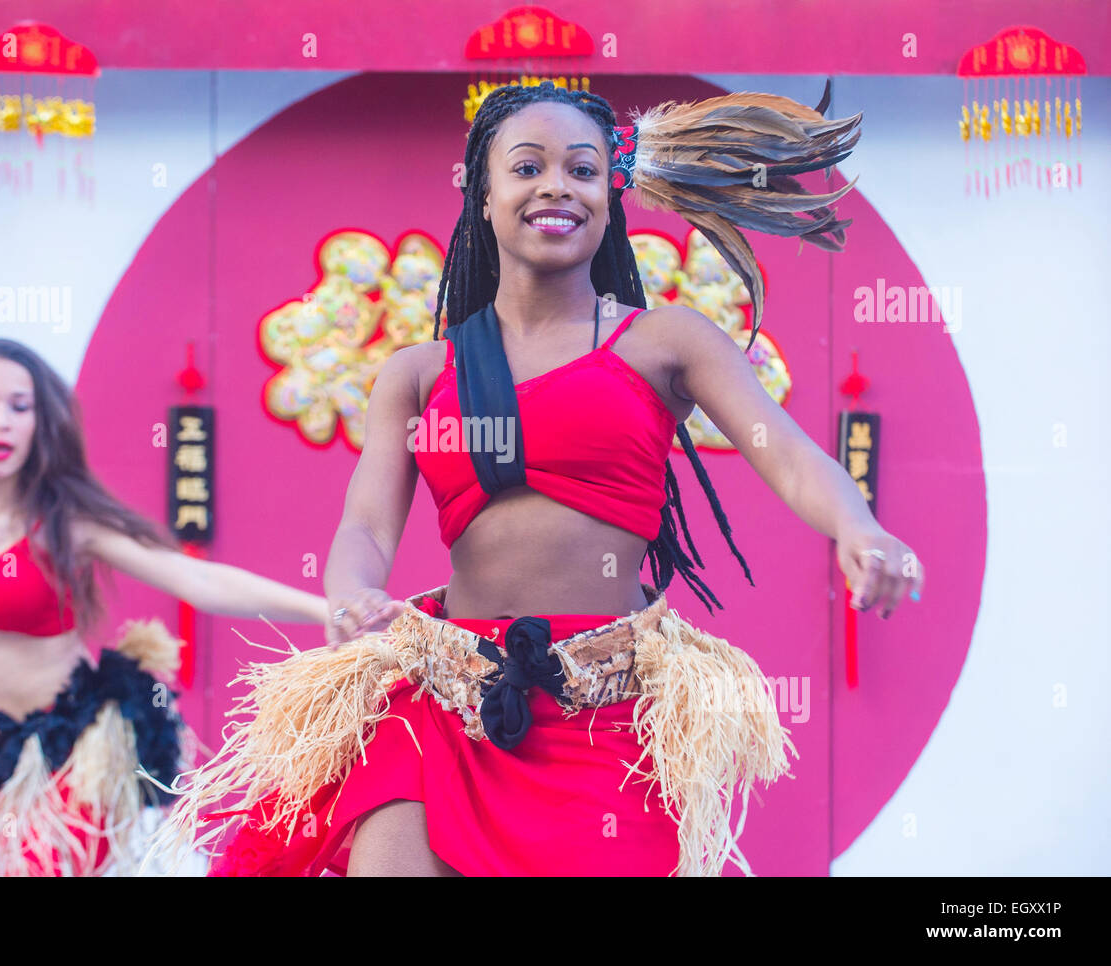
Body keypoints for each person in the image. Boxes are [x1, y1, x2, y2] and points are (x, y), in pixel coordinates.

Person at [153, 80, 924, 877]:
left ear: (610, 195)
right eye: (527, 168)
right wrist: (353, 593)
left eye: (582, 170)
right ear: (482, 197)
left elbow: (789, 453)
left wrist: (858, 526)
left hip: (607, 718)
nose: (556, 185)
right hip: (444, 704)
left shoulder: (665, 341)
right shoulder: (419, 374)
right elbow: (367, 526)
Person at [0, 337, 327, 876]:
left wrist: (324, 609)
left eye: (20, 407)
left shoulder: (63, 522)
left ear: (39, 422)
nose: (1, 422)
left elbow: (195, 576)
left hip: (80, 753)